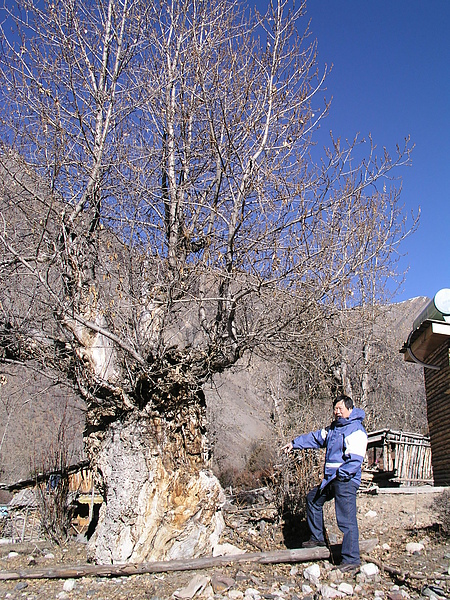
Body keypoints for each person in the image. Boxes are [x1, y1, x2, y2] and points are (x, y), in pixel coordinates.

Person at [282, 395, 368, 572]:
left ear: (350, 410)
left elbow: (355, 460)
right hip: (331, 479)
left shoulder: (356, 429)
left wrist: (341, 475)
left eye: (340, 409)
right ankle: (317, 538)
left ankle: (351, 559)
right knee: (313, 499)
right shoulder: (334, 429)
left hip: (345, 480)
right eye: (335, 409)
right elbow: (315, 438)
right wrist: (294, 443)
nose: (337, 412)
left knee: (346, 520)